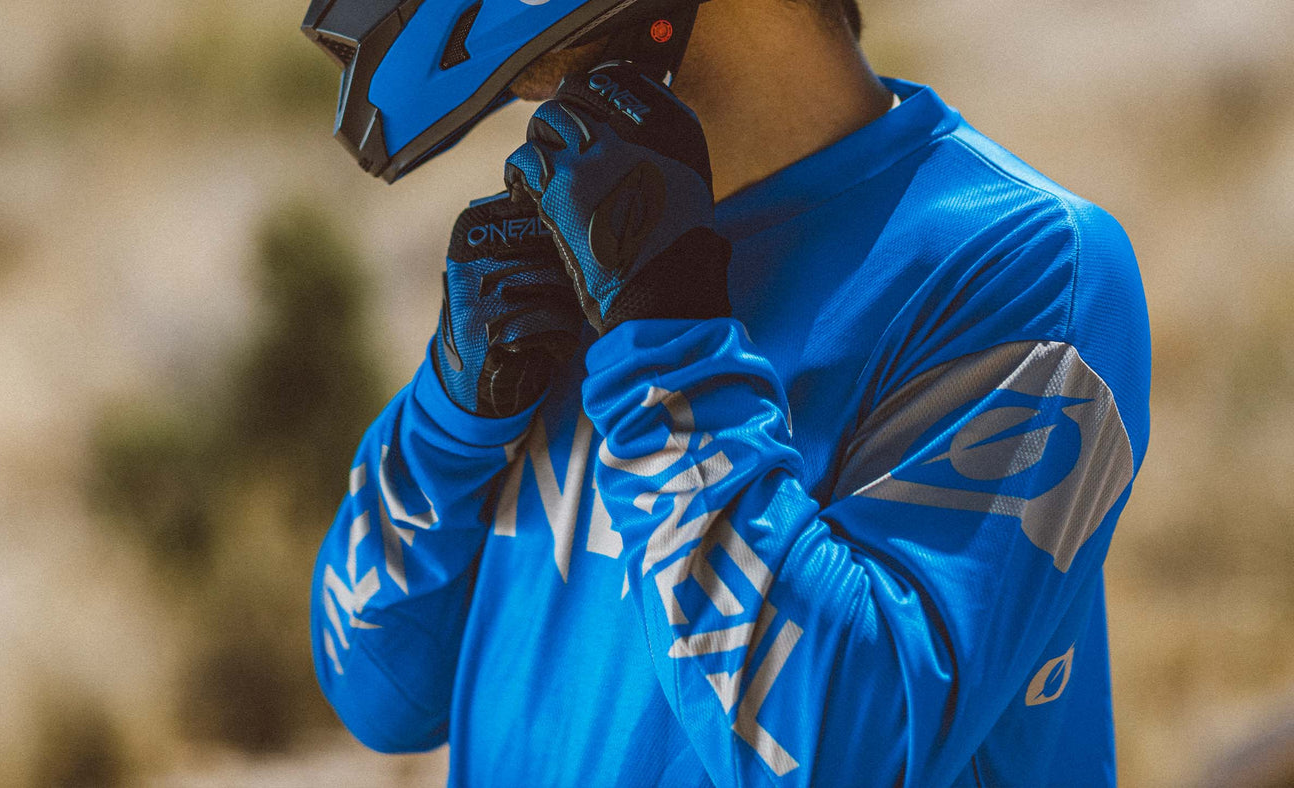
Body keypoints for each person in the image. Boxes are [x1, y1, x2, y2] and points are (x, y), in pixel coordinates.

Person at [303, 0, 1150, 783]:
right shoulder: (587, 238)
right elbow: (376, 688)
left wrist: (668, 346)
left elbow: (840, 750)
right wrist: (449, 425)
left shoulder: (1022, 267)